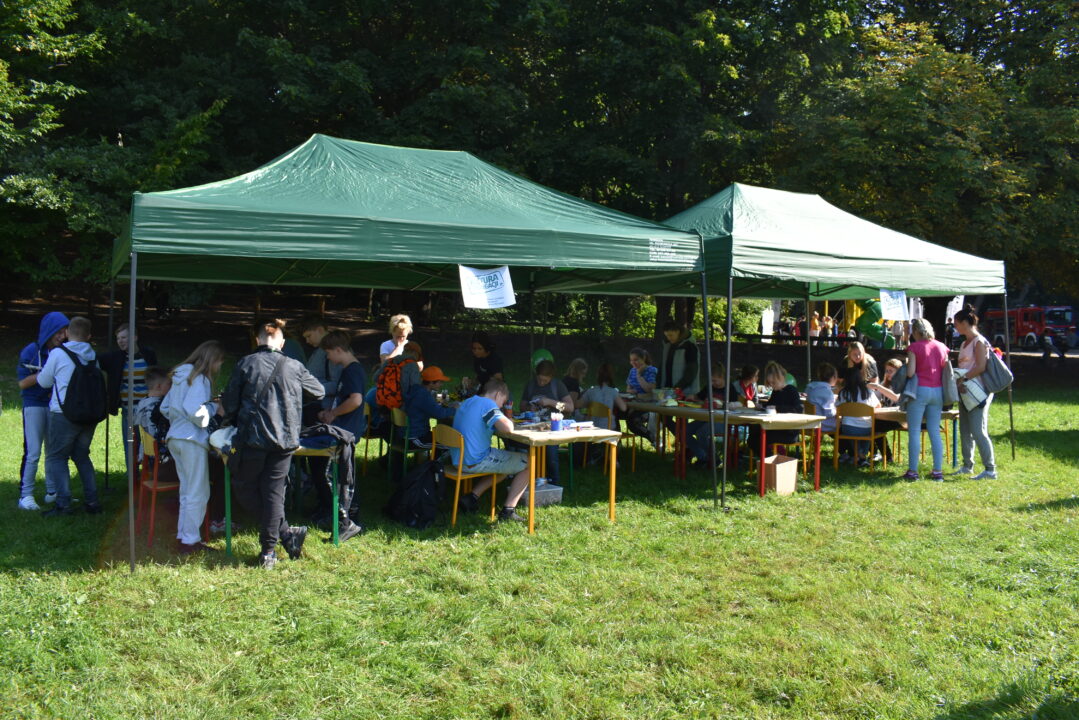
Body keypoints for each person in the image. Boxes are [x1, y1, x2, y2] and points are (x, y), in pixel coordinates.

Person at [221, 319, 325, 569]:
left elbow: (230, 402)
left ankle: (271, 549)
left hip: (253, 439)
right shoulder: (294, 366)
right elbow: (318, 391)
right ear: (282, 342)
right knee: (273, 495)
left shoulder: (246, 363)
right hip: (285, 440)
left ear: (257, 340)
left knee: (245, 488)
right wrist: (292, 397)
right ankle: (281, 540)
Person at [162, 340, 226, 554]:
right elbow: (196, 413)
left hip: (175, 436)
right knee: (198, 491)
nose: (219, 367)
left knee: (187, 490)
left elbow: (165, 407)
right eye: (219, 362)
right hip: (191, 438)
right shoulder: (199, 378)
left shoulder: (180, 376)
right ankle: (190, 540)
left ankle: (184, 536)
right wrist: (214, 408)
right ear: (212, 359)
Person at [36, 316, 103, 516]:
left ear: (67, 333)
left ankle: (63, 504)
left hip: (64, 414)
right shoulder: (93, 356)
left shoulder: (58, 353)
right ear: (89, 336)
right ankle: (92, 501)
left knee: (57, 457)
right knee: (81, 456)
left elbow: (44, 382)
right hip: (89, 416)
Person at [308, 330, 366, 542]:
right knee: (341, 474)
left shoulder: (352, 371)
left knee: (338, 476)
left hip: (346, 431)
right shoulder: (348, 370)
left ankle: (348, 520)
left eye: (329, 353)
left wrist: (333, 414)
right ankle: (344, 517)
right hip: (343, 429)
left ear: (339, 350)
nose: (328, 358)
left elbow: (356, 400)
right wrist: (330, 412)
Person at [453, 379, 533, 524]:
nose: (501, 406)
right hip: (474, 460)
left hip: (458, 459)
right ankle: (508, 511)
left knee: (507, 463)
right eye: (502, 402)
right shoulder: (488, 404)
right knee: (530, 463)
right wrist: (508, 418)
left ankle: (472, 497)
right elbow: (508, 428)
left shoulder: (468, 401)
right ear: (497, 395)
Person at [17, 312, 69, 510]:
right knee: (33, 452)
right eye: (59, 332)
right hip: (33, 405)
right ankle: (26, 495)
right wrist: (44, 374)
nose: (62, 336)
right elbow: (22, 383)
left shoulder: (62, 351)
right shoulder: (31, 351)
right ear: (49, 331)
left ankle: (52, 491)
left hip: (54, 406)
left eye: (65, 332)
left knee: (52, 450)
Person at [100, 323, 159, 473]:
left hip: (147, 410)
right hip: (129, 411)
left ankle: (150, 472)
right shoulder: (115, 357)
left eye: (124, 337)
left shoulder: (148, 354)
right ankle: (132, 476)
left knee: (149, 442)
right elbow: (94, 360)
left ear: (135, 337)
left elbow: (156, 375)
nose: (120, 341)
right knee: (131, 443)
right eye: (118, 338)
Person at [903, 318, 950, 481]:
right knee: (934, 431)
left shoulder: (914, 347)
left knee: (914, 431)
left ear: (915, 332)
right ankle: (937, 471)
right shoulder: (942, 347)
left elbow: (910, 372)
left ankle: (913, 471)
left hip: (919, 390)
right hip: (937, 391)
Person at [953, 305, 997, 479]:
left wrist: (963, 378)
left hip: (979, 393)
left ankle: (990, 469)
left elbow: (980, 367)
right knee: (965, 430)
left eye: (957, 323)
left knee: (978, 430)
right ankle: (967, 465)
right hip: (965, 391)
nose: (955, 327)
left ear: (965, 322)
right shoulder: (964, 343)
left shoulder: (979, 341)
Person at [518, 359, 574, 485]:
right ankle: (525, 477)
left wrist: (550, 402)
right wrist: (529, 407)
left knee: (550, 447)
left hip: (552, 427)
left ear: (551, 377)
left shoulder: (557, 385)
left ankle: (553, 481)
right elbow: (522, 405)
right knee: (517, 443)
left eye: (545, 380)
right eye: (539, 379)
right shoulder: (531, 385)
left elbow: (570, 407)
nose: (541, 383)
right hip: (533, 426)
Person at [685, 363, 735, 468]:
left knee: (701, 432)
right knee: (684, 431)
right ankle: (703, 456)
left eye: (715, 380)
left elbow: (738, 404)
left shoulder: (730, 388)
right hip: (706, 418)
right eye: (711, 380)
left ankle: (714, 459)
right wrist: (692, 397)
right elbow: (699, 397)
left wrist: (723, 404)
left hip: (723, 421)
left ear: (722, 377)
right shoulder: (709, 386)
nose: (712, 383)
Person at [747, 361, 801, 452]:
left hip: (788, 431)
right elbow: (770, 405)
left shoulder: (791, 391)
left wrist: (776, 408)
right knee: (752, 437)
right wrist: (762, 406)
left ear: (781, 378)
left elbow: (798, 409)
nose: (772, 385)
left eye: (773, 382)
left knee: (758, 439)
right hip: (776, 427)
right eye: (770, 383)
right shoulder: (776, 392)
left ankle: (774, 457)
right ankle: (772, 457)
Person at [836, 365, 880, 466]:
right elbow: (878, 405)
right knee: (867, 431)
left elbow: (837, 408)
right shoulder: (868, 392)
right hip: (866, 427)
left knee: (850, 432)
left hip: (848, 428)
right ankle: (862, 456)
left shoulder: (843, 393)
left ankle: (858, 455)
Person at [404, 366, 456, 447]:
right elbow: (440, 414)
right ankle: (438, 456)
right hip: (416, 437)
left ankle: (436, 455)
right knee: (450, 443)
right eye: (440, 382)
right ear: (431, 383)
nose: (441, 384)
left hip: (410, 433)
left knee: (445, 439)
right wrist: (455, 409)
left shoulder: (417, 389)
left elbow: (432, 409)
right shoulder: (423, 395)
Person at [301, 316, 342, 410]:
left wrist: (312, 388)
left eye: (309, 336)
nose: (307, 341)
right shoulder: (320, 349)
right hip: (316, 405)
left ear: (320, 330)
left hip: (326, 408)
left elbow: (338, 384)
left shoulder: (333, 350)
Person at [657, 322, 701, 397]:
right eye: (666, 336)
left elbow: (691, 372)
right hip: (669, 391)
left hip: (686, 393)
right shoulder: (668, 346)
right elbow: (663, 368)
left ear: (678, 331)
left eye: (671, 335)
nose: (669, 338)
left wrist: (677, 389)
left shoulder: (690, 346)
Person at [625, 347, 658, 441]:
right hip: (635, 403)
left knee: (633, 421)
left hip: (649, 406)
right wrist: (632, 391)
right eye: (631, 360)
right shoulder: (632, 371)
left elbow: (649, 389)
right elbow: (628, 389)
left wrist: (639, 375)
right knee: (616, 414)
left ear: (643, 358)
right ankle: (614, 443)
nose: (633, 363)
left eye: (636, 360)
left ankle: (652, 437)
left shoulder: (652, 370)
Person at [804, 362, 839, 435]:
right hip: (822, 425)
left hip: (809, 422)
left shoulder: (810, 388)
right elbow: (830, 413)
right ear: (833, 377)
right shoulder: (827, 392)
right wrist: (837, 409)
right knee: (845, 424)